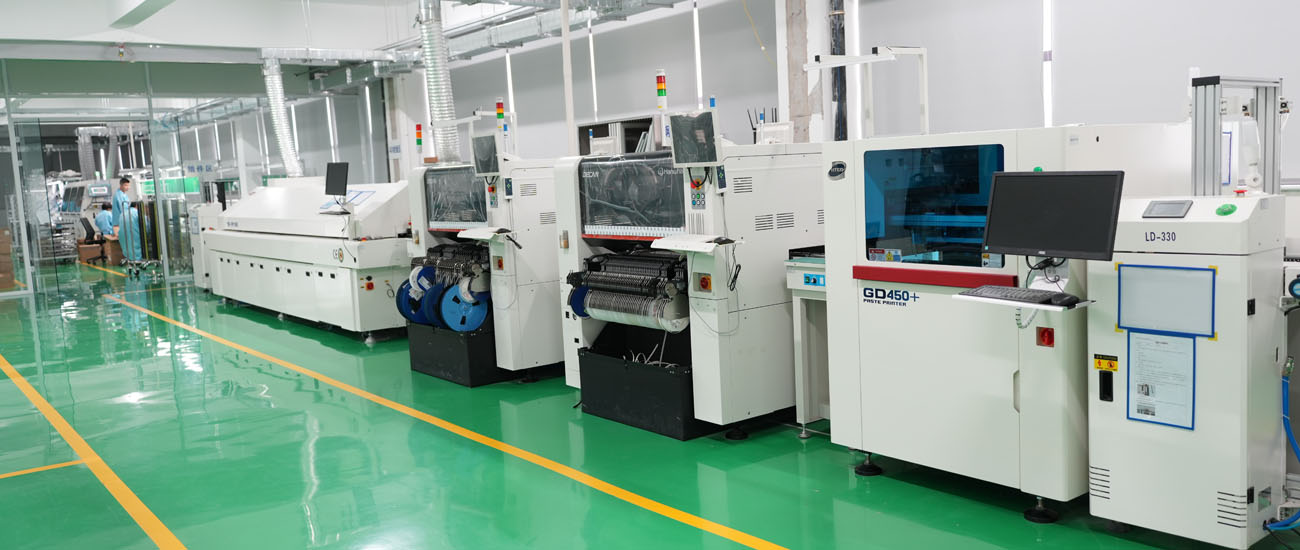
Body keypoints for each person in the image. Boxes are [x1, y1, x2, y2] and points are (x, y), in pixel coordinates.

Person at [112, 178, 141, 262]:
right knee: (130, 241)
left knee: (128, 241)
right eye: (125, 185)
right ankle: (133, 258)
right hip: (122, 222)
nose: (127, 187)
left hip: (123, 221)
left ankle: (130, 257)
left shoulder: (123, 195)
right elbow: (124, 210)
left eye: (128, 185)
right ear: (121, 185)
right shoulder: (119, 195)